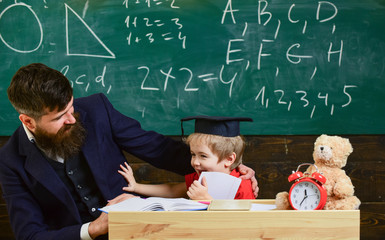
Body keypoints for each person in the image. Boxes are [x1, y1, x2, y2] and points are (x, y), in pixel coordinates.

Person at [0, 63, 259, 240]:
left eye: (71, 107)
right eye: (59, 117)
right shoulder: (10, 161)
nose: (72, 119)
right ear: (28, 121)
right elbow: (30, 235)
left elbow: (159, 149)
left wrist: (228, 171)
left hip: (138, 232)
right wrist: (92, 229)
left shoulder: (96, 109)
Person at [119, 116, 255, 200]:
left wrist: (207, 200)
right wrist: (136, 187)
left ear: (229, 159)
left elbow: (244, 224)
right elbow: (172, 191)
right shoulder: (200, 179)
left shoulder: (243, 186)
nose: (195, 162)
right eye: (193, 154)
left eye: (203, 156)